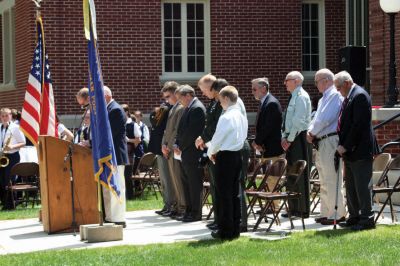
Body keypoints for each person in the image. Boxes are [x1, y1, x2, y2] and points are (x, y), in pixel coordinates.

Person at [334, 71, 377, 231]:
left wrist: (346, 145)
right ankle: (354, 216)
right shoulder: (350, 97)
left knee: (362, 186)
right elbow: (345, 125)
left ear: (347, 83)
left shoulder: (359, 96)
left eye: (338, 87)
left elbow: (358, 125)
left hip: (359, 149)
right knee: (350, 185)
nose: (338, 91)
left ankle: (367, 218)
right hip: (350, 151)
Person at [207, 85, 248, 240]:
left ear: (225, 98)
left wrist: (210, 152)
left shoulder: (226, 116)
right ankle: (235, 228)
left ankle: (225, 230)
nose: (219, 103)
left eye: (220, 100)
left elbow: (218, 138)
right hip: (237, 155)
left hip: (225, 156)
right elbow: (243, 136)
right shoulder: (241, 116)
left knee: (223, 195)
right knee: (234, 194)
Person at [306, 69, 346, 225]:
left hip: (330, 140)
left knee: (332, 178)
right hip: (321, 141)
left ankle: (338, 213)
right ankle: (326, 212)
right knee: (323, 178)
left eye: (317, 81)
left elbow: (325, 119)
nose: (315, 84)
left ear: (327, 80)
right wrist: (310, 131)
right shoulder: (323, 98)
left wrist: (312, 132)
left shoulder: (335, 95)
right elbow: (315, 117)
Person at [281, 71, 312, 218]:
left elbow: (298, 122)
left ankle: (302, 209)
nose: (285, 83)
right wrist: (284, 137)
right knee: (291, 174)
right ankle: (293, 208)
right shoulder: (294, 96)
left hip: (298, 139)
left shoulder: (301, 97)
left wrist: (290, 139)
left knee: (299, 173)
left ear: (297, 81)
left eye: (288, 80)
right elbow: (286, 120)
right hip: (291, 138)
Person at [174, 85, 206, 222]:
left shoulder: (197, 108)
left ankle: (195, 213)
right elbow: (180, 129)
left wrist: (180, 145)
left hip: (193, 152)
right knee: (186, 183)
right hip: (185, 152)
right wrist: (176, 143)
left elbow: (192, 132)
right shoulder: (188, 108)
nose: (179, 101)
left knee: (194, 184)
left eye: (180, 98)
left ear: (188, 95)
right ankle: (188, 210)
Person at [195, 74, 222, 230]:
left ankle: (220, 218)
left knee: (218, 186)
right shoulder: (213, 103)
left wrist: (203, 138)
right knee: (214, 186)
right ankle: (217, 217)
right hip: (211, 147)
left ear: (211, 87)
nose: (203, 93)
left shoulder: (219, 103)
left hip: (217, 148)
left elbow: (214, 127)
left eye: (204, 90)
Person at [103, 86, 128, 227]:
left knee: (117, 186)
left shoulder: (115, 110)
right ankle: (111, 216)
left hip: (116, 155)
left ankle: (118, 218)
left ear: (106, 96)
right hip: (110, 155)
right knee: (109, 187)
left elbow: (110, 134)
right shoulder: (108, 109)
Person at [161, 81, 186, 218]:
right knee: (174, 180)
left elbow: (177, 131)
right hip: (168, 149)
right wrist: (164, 145)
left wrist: (169, 146)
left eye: (168, 96)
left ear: (176, 94)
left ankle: (182, 207)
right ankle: (177, 206)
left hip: (174, 149)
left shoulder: (181, 108)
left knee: (179, 180)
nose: (166, 100)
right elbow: (167, 131)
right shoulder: (173, 108)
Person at [149, 102, 172, 215]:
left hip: (165, 149)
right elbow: (154, 120)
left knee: (167, 180)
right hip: (160, 149)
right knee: (163, 181)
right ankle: (167, 204)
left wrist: (160, 110)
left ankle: (170, 205)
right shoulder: (164, 109)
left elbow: (156, 122)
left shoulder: (166, 109)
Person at [0, 108, 26, 210]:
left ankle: (10, 204)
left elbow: (23, 142)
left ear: (10, 116)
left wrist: (12, 147)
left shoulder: (15, 127)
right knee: (2, 180)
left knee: (9, 180)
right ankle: (4, 202)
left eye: (7, 115)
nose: (5, 118)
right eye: (3, 116)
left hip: (12, 156)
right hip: (2, 156)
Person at [121, 104, 141, 200]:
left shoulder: (133, 125)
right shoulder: (120, 123)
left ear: (126, 112)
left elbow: (138, 140)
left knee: (127, 176)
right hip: (121, 152)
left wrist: (128, 140)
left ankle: (130, 196)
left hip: (129, 153)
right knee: (121, 176)